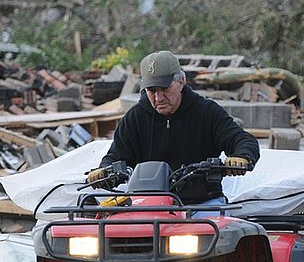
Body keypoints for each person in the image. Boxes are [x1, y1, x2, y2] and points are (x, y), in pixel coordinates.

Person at [87, 50, 260, 204]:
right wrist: (104, 170)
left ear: (181, 81)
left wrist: (242, 156)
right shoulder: (135, 118)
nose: (158, 97)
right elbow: (116, 155)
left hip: (201, 204)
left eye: (164, 88)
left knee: (220, 231)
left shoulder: (206, 111)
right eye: (152, 90)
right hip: (148, 205)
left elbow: (242, 139)